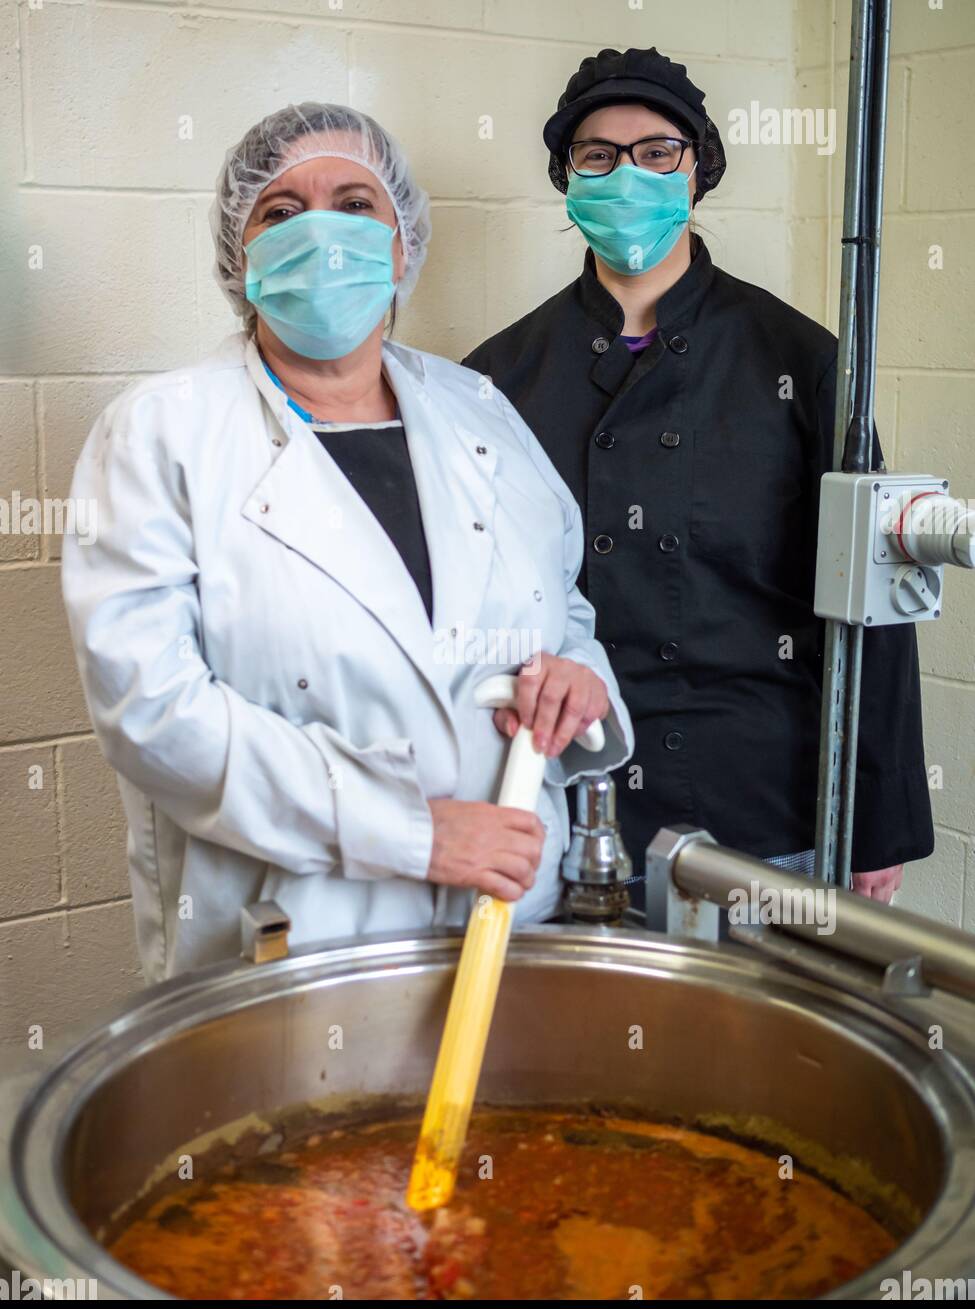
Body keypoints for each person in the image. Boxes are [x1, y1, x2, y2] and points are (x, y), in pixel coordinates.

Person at [61, 102, 633, 982]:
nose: (321, 230)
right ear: (240, 259)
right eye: (281, 213)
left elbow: (563, 603)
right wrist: (414, 832)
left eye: (355, 205)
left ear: (403, 246)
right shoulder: (160, 435)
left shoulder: (477, 410)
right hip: (302, 943)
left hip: (513, 918)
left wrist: (577, 676)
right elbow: (153, 714)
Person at [464, 47, 933, 905]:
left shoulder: (803, 363)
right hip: (571, 806)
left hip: (767, 814)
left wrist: (878, 818)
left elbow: (875, 603)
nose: (626, 173)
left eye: (656, 152)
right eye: (597, 155)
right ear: (567, 180)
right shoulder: (494, 381)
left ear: (699, 170)